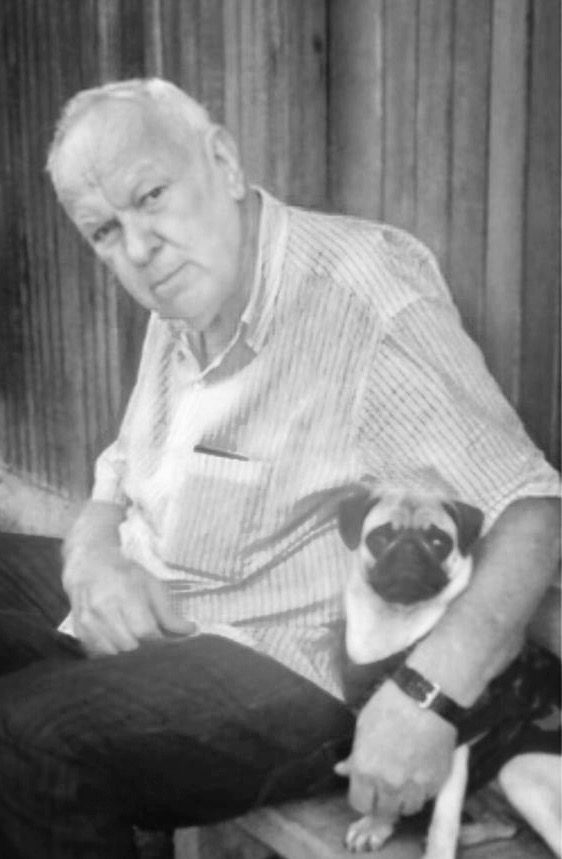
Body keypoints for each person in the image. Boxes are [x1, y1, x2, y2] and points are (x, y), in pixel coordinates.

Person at [0, 78, 559, 858]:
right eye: (104, 230)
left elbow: (532, 512)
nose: (137, 248)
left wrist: (425, 698)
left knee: (29, 738)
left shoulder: (364, 301)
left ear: (224, 162)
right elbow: (121, 466)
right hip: (161, 596)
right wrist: (92, 557)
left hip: (296, 660)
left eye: (151, 196)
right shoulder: (183, 290)